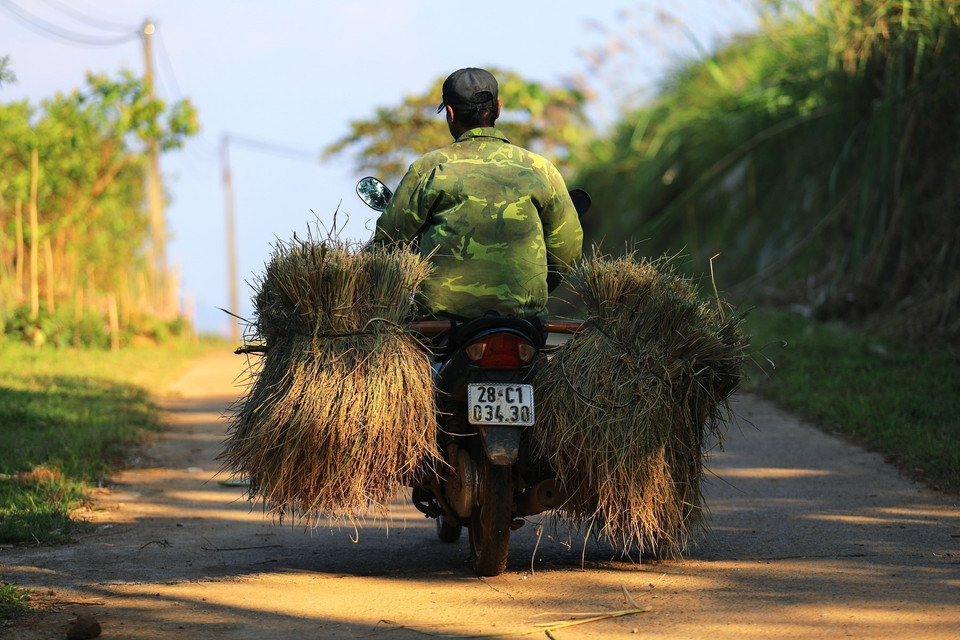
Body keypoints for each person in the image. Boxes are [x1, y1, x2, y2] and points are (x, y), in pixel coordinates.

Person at [371, 67, 583, 320]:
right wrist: (534, 291)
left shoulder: (428, 169)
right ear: (499, 109)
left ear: (449, 114)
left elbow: (386, 247)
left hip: (442, 326)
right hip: (523, 321)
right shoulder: (541, 169)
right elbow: (567, 253)